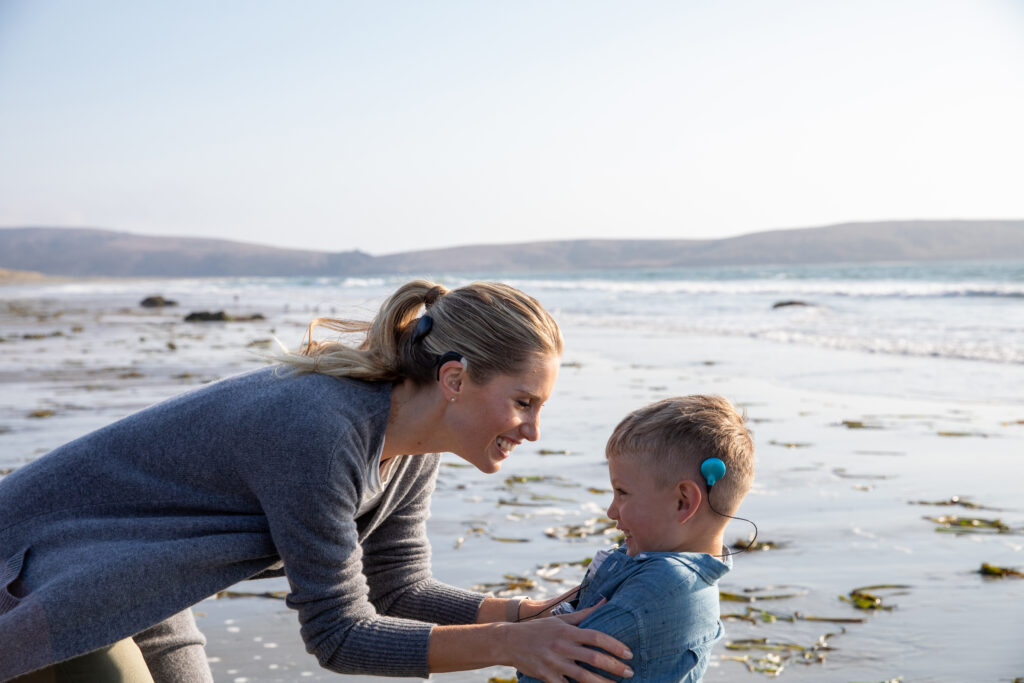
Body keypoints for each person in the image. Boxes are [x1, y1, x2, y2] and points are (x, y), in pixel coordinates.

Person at [0, 280, 633, 682]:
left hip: (141, 586)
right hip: (33, 576)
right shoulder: (323, 430)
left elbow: (399, 589)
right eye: (524, 402)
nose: (533, 431)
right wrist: (511, 645)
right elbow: (338, 634)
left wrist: (524, 615)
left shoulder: (411, 445)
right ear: (455, 380)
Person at [518, 395, 755, 683]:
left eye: (622, 493)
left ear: (683, 501)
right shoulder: (689, 580)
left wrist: (515, 645)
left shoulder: (660, 588)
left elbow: (542, 670)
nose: (611, 511)